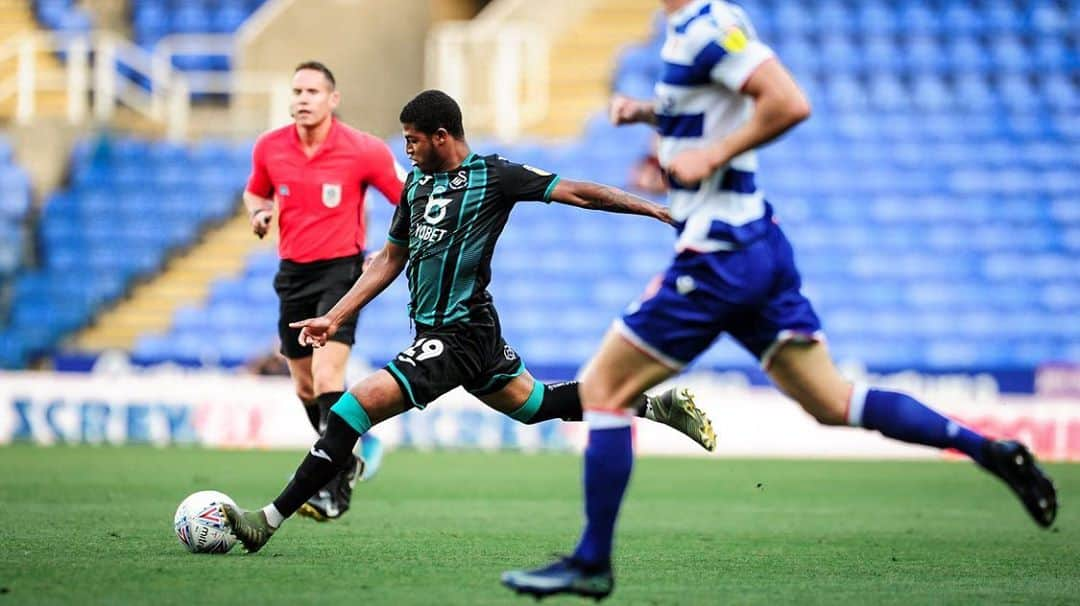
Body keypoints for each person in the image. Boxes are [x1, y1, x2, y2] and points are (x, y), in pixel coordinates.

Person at [501, 1, 1059, 600]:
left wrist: (710, 155)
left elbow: (788, 100)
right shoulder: (704, 26)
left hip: (719, 254)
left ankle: (591, 561)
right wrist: (647, 112)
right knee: (832, 401)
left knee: (603, 390)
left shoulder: (704, 27)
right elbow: (716, 103)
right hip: (756, 244)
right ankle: (991, 450)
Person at [221, 89, 718, 553]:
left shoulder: (493, 176)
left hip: (458, 334)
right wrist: (334, 317)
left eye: (413, 140)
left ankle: (266, 520)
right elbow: (391, 260)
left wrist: (653, 209)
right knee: (537, 405)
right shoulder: (415, 186)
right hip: (465, 332)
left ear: (442, 136)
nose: (407, 150)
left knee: (352, 409)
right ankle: (656, 406)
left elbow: (581, 193)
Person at [243, 61, 400, 521]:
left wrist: (392, 247)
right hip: (292, 272)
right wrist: (258, 213)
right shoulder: (270, 148)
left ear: (333, 99)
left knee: (329, 375)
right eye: (296, 90)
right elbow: (255, 192)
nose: (302, 98)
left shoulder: (363, 150)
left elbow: (407, 196)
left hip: (342, 273)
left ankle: (333, 489)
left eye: (313, 90)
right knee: (305, 384)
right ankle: (345, 456)